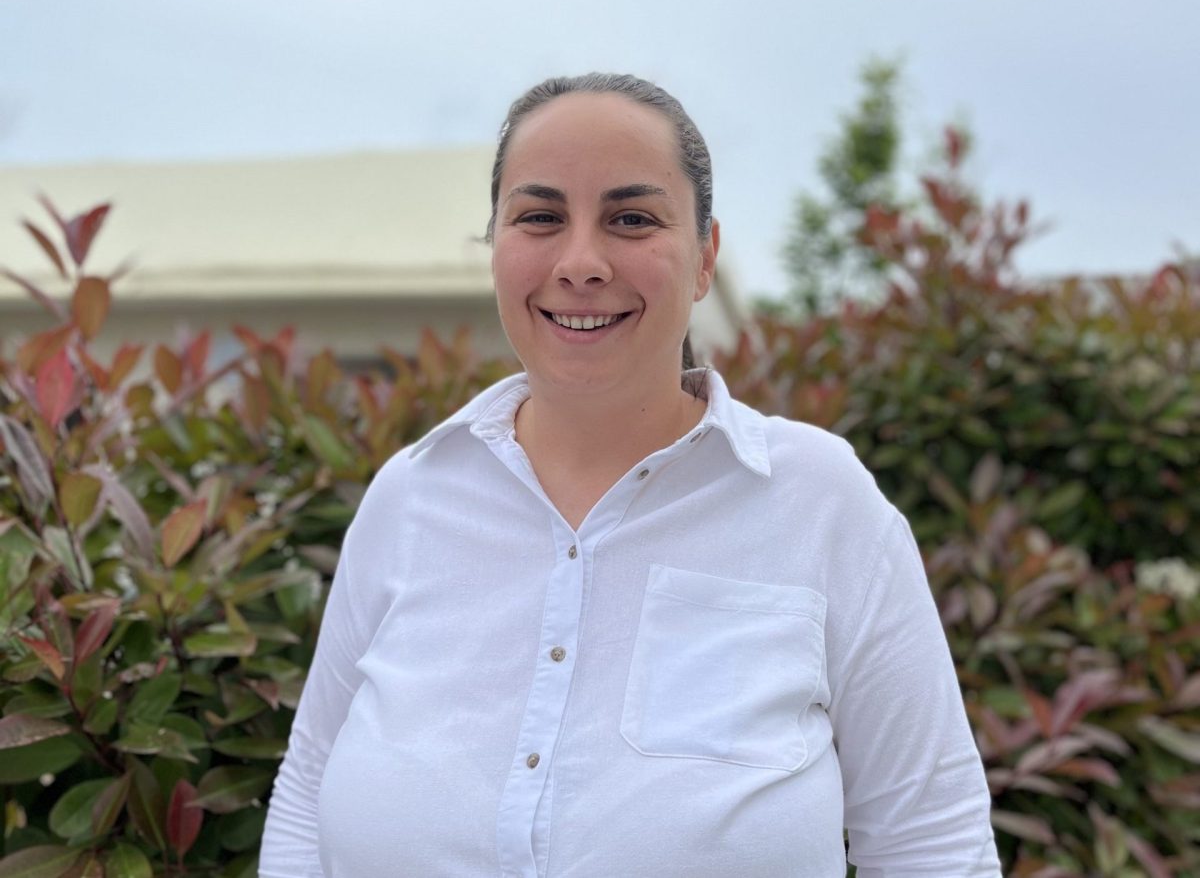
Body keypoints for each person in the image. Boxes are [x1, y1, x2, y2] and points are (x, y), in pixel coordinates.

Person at [259, 73, 1001, 877]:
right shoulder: (410, 497)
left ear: (705, 257)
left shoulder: (820, 502)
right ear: (495, 244)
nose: (580, 263)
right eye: (540, 217)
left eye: (632, 219)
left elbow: (933, 841)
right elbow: (307, 791)